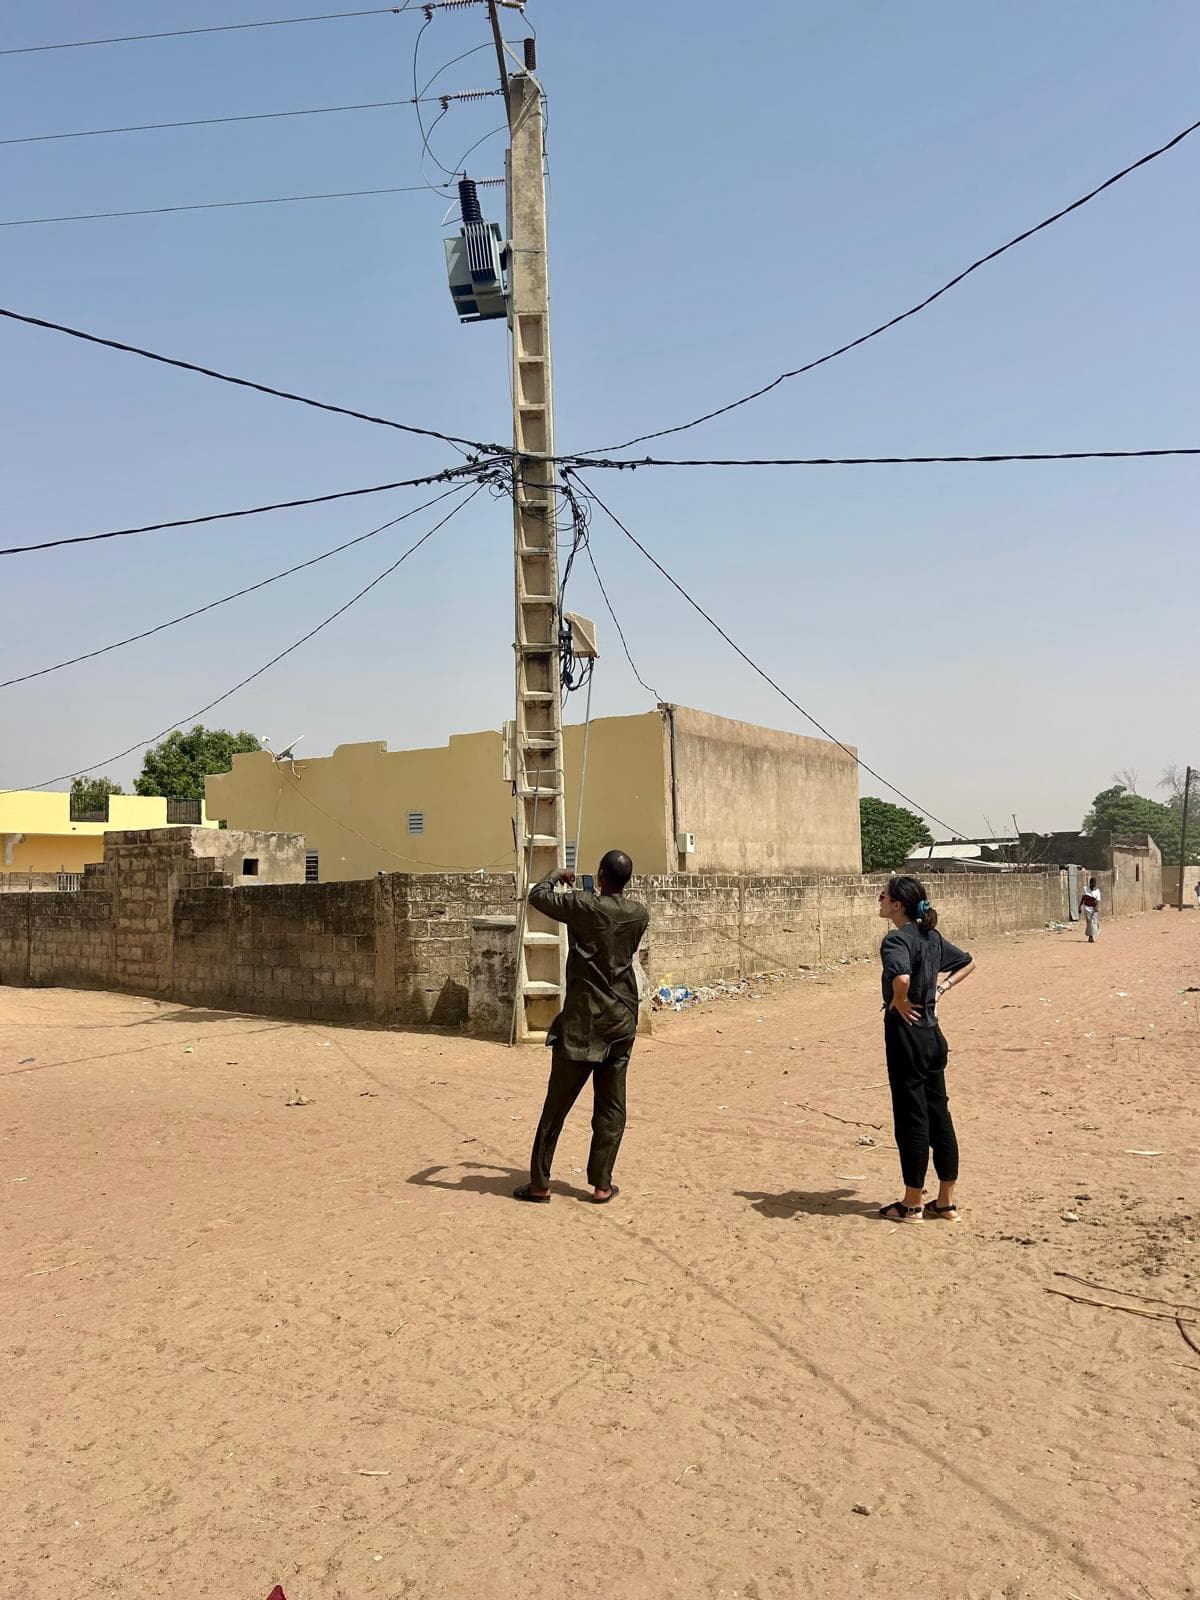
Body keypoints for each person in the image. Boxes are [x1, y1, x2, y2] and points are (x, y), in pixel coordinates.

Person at [513, 849, 649, 1206]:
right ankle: (602, 1184)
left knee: (555, 1109)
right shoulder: (638, 914)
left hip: (582, 1024)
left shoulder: (585, 907)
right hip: (620, 1020)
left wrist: (556, 876)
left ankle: (540, 1184)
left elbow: (538, 897)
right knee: (611, 1108)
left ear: (602, 875)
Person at [876, 875, 976, 1221]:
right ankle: (945, 1200)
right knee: (939, 1115)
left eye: (884, 896)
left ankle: (912, 1202)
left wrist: (900, 999)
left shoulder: (896, 940)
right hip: (934, 1034)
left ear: (897, 905)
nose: (880, 899)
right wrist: (942, 988)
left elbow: (900, 977)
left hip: (908, 1036)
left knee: (912, 1117)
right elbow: (968, 962)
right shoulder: (930, 936)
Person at [1079, 876, 1102, 942]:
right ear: (1090, 883)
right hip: (1087, 907)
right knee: (1089, 922)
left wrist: (1096, 907)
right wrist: (1080, 907)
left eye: (1094, 884)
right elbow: (1083, 898)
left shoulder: (1097, 891)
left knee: (1094, 922)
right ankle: (1090, 936)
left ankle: (1093, 932)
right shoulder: (1085, 889)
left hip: (1094, 908)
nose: (1093, 886)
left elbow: (1097, 900)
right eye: (1092, 884)